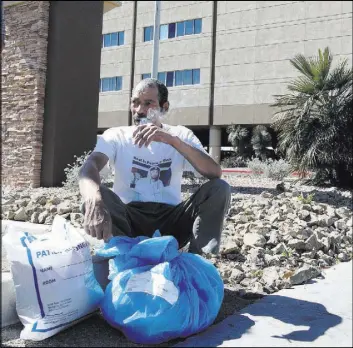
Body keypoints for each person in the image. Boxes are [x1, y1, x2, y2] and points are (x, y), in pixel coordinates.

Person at [79, 78, 231, 255]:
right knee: (96, 193)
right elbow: (89, 167)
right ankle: (119, 253)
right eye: (135, 103)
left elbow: (215, 173)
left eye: (148, 103)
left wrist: (173, 141)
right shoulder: (116, 135)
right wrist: (94, 200)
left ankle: (199, 260)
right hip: (128, 220)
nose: (139, 110)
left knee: (220, 188)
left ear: (164, 107)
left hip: (171, 223)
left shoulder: (180, 135)